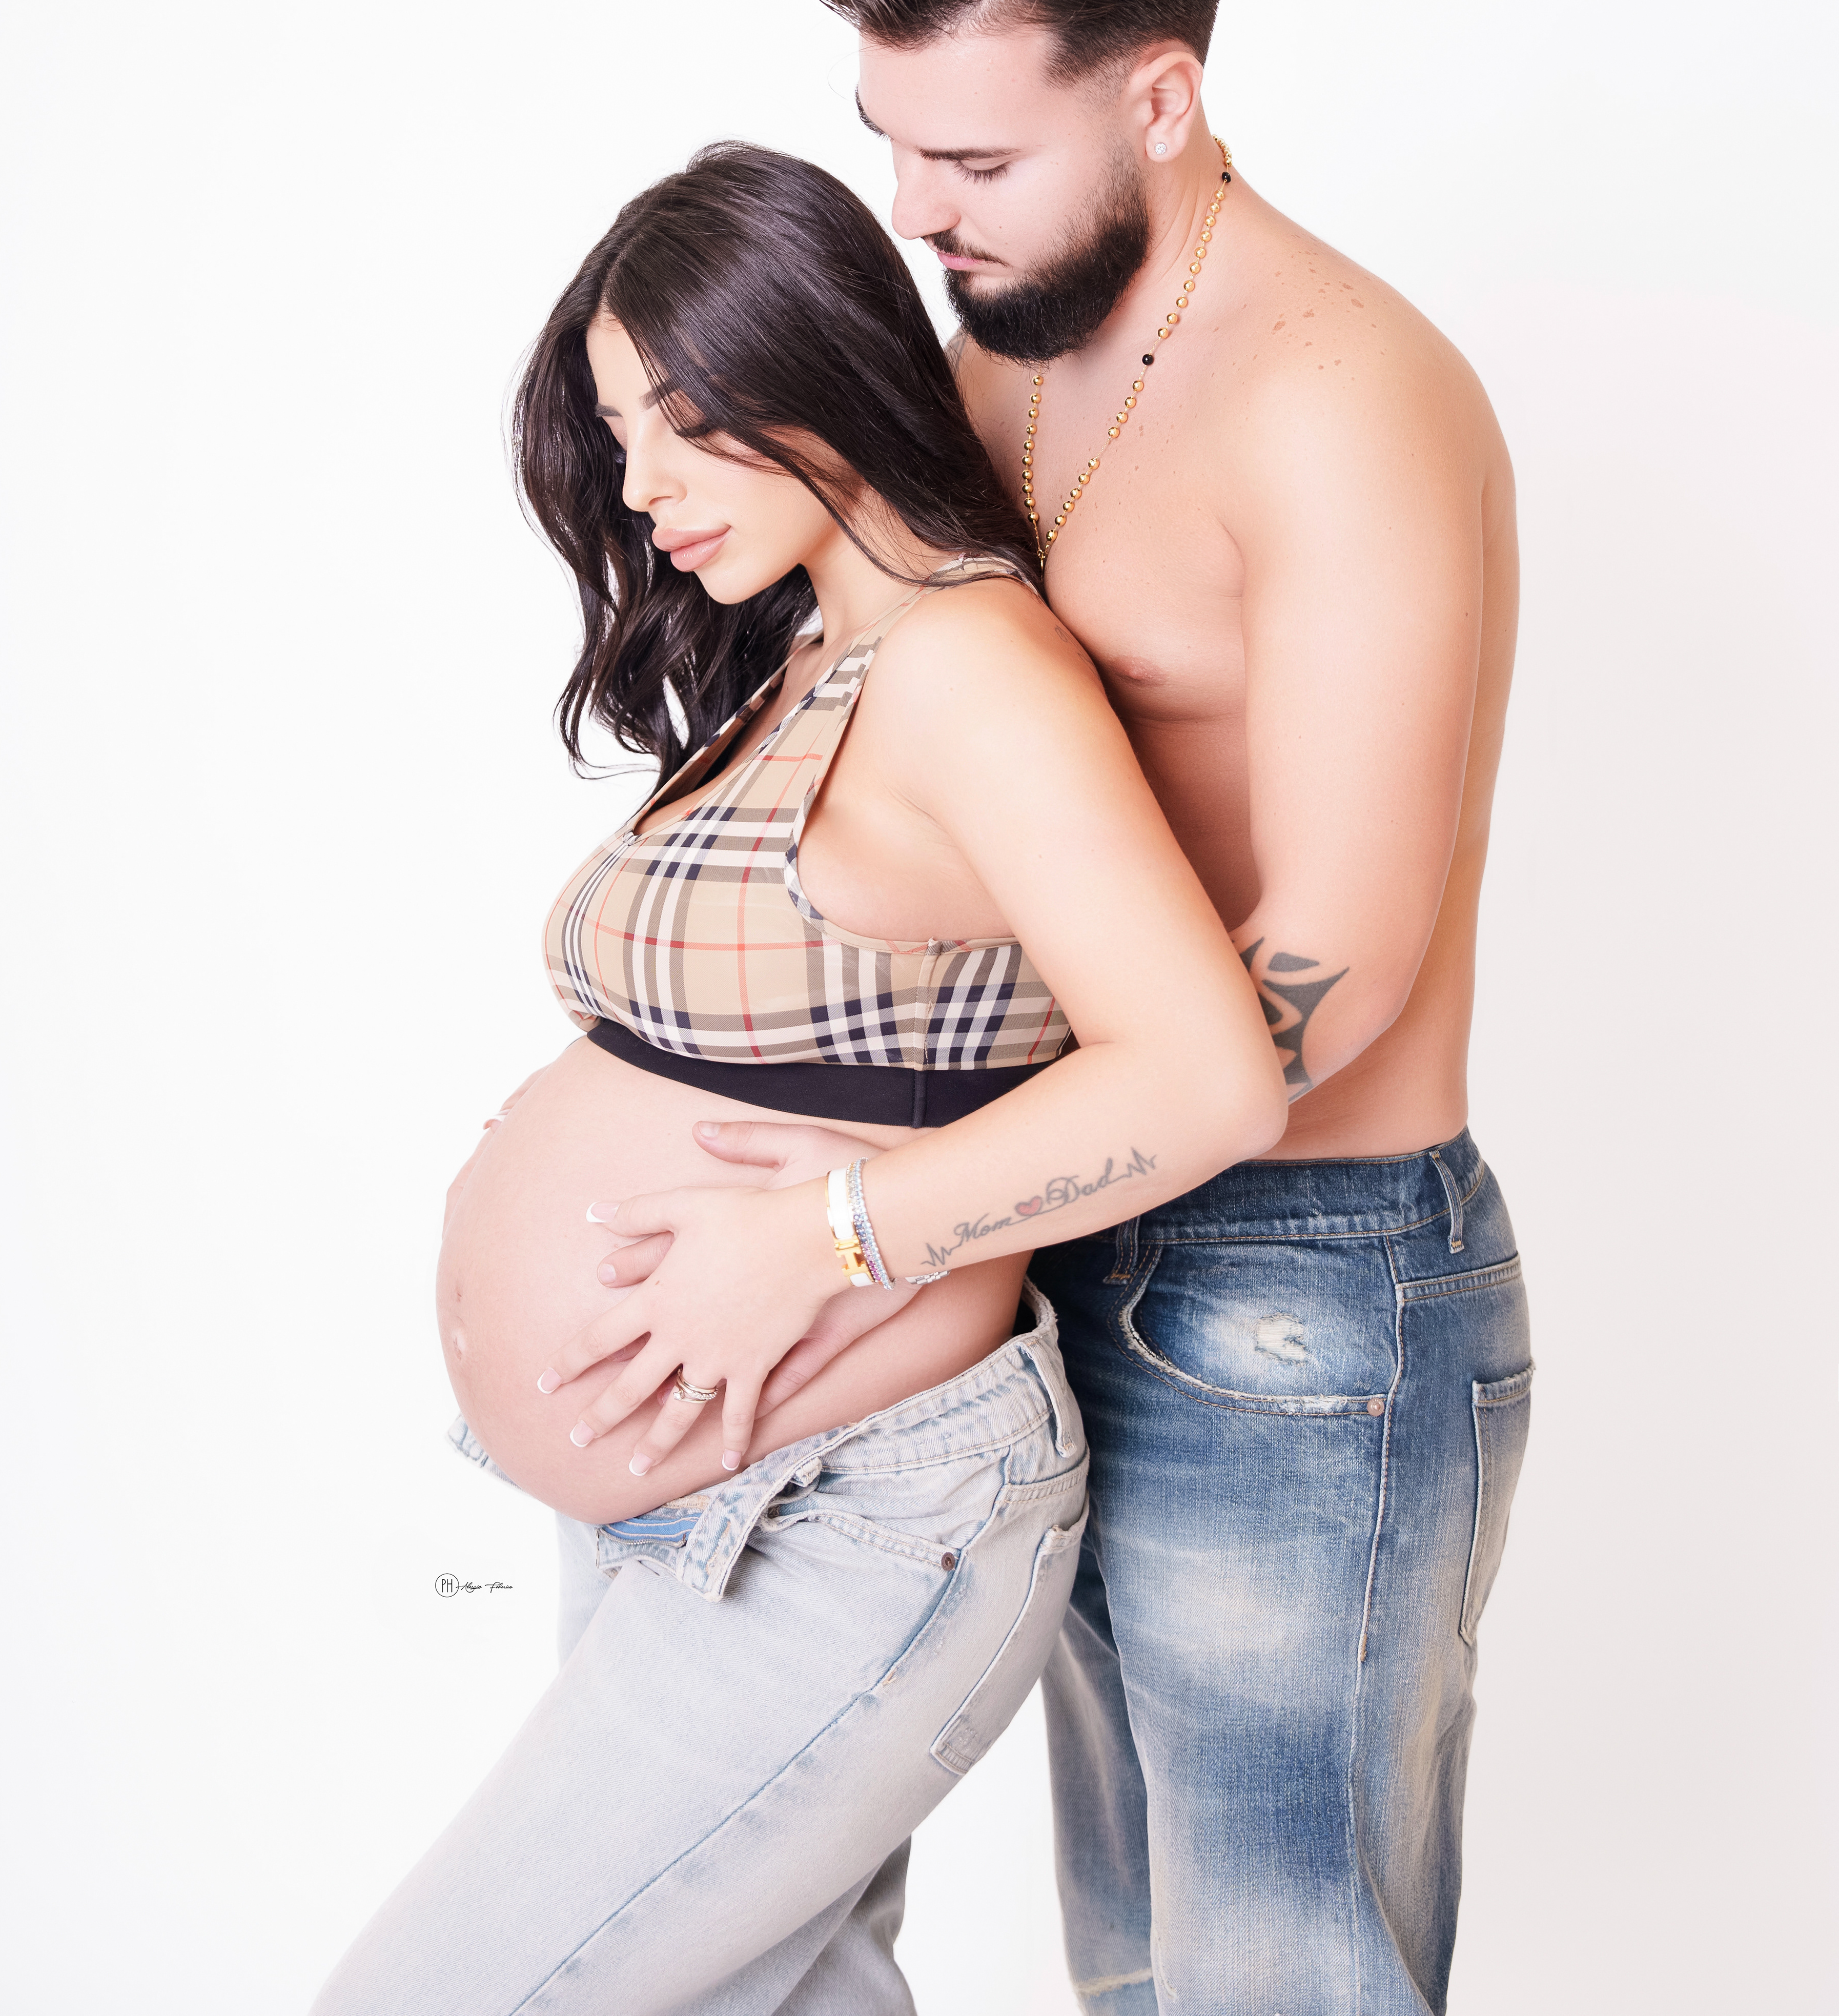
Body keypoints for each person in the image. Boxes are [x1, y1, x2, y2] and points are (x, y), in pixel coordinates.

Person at [565, 0, 1535, 2016]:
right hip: (1048, 1243)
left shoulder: (1343, 400)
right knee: (1133, 1969)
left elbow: (1340, 960)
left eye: (977, 159)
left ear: (1162, 96)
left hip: (1295, 1284)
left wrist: (874, 1220)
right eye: (893, 146)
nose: (919, 212)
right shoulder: (1001, 336)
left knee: (1272, 1977)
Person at [310, 141, 1288, 2016]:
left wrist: (823, 1235)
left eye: (686, 420)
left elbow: (1203, 1077)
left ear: (821, 360)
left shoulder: (968, 665)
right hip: (705, 1470)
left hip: (848, 1505)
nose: (643, 484)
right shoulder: (818, 650)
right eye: (618, 432)